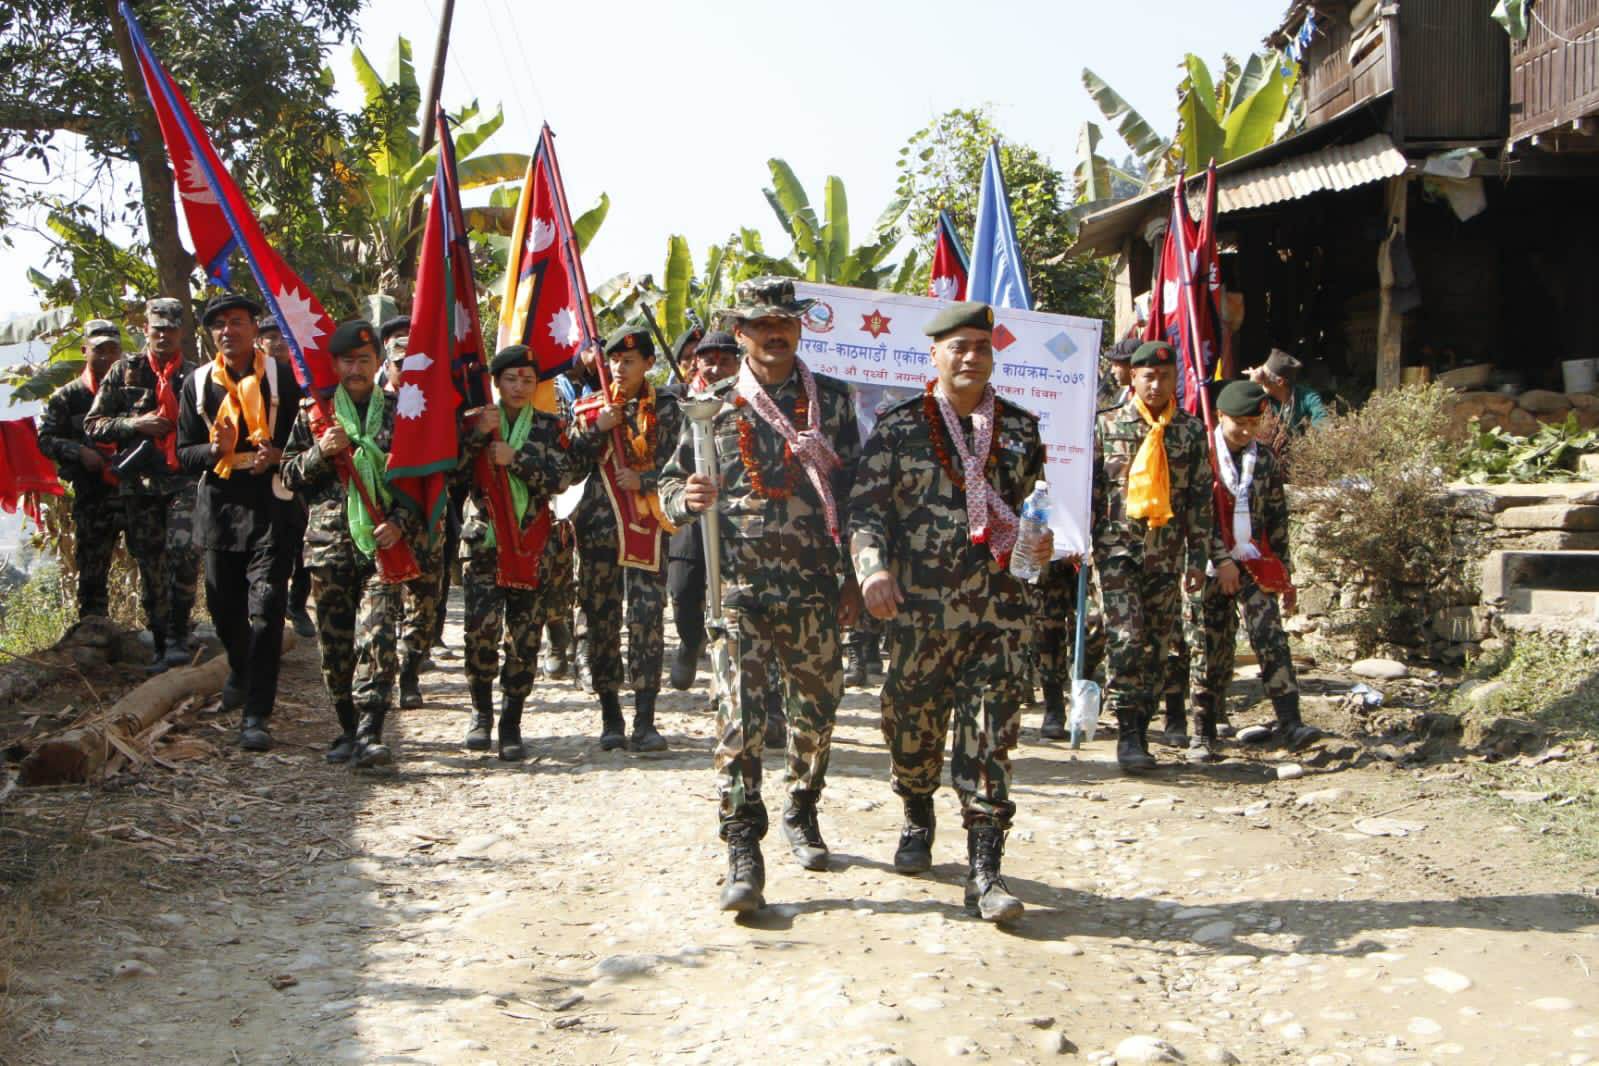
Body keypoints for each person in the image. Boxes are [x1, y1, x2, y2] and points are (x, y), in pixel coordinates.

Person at [660, 276, 862, 914]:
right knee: (739, 720)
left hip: (814, 588)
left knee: (816, 715)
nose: (776, 333)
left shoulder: (830, 401)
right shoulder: (710, 405)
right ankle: (743, 849)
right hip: (738, 589)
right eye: (762, 324)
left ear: (800, 329)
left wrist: (857, 576)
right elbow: (667, 487)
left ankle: (802, 805)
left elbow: (859, 495)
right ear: (741, 332)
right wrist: (681, 500)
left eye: (787, 323)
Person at [847, 301, 1049, 924]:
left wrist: (1043, 544)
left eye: (981, 348)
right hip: (920, 611)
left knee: (991, 735)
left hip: (1000, 610)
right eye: (957, 347)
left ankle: (985, 871)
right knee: (911, 725)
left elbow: (1039, 509)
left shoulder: (1020, 428)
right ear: (933, 355)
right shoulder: (901, 426)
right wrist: (872, 569)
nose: (970, 357)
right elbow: (865, 514)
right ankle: (915, 808)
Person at [1092, 341, 1234, 774]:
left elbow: (1198, 501)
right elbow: (1091, 491)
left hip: (1167, 555)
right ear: (1132, 378)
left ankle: (1143, 718)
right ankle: (1128, 732)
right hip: (1118, 550)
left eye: (1165, 376)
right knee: (1127, 638)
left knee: (1156, 647)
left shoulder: (1190, 431)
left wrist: (1199, 559)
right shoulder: (1105, 425)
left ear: (1176, 379)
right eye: (1147, 376)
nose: (1156, 384)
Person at [280, 320, 414, 767]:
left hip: (380, 544)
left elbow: (420, 483)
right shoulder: (313, 414)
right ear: (334, 365)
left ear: (377, 363)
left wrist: (399, 522)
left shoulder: (399, 412)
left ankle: (371, 728)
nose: (355, 368)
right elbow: (287, 475)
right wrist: (321, 451)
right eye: (347, 361)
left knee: (378, 634)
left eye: (364, 360)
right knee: (335, 644)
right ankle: (345, 727)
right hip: (329, 543)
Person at [175, 293, 302, 751]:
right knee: (224, 610)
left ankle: (256, 713)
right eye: (219, 325)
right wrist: (214, 450)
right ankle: (240, 667)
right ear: (211, 335)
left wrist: (280, 454)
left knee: (267, 609)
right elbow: (183, 452)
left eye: (237, 321)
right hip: (220, 507)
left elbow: (305, 444)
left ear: (253, 327)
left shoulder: (283, 379)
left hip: (272, 504)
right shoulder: (198, 383)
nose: (228, 330)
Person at [459, 343, 594, 760]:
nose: (519, 387)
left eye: (528, 380)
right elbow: (450, 476)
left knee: (524, 638)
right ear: (496, 382)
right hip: (485, 540)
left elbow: (561, 478)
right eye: (511, 379)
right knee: (480, 632)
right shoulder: (478, 420)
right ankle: (482, 714)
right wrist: (479, 438)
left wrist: (515, 459)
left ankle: (511, 722)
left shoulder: (549, 426)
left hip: (533, 543)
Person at [1187, 380, 1323, 759]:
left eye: (1254, 423)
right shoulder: (1201, 456)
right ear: (1220, 416)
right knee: (1209, 644)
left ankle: (1291, 722)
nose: (1246, 431)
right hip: (1208, 565)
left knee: (1270, 635)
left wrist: (1285, 572)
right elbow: (1197, 516)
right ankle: (1204, 730)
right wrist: (1221, 559)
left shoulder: (1263, 460)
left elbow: (1277, 518)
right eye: (1239, 424)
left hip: (1253, 563)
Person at [569, 326, 682, 752]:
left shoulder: (669, 408)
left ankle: (646, 719)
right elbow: (568, 465)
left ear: (649, 364)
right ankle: (610, 714)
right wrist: (596, 428)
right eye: (613, 359)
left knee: (647, 619)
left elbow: (682, 465)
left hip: (647, 529)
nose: (619, 367)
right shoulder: (589, 408)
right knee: (601, 619)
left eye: (629, 361)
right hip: (598, 531)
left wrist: (644, 478)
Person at [84, 297, 202, 672]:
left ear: (181, 332)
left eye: (170, 329)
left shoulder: (198, 375)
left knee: (184, 553)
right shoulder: (125, 372)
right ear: (146, 331)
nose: (163, 335)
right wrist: (135, 425)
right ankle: (163, 642)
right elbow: (94, 424)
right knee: (151, 562)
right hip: (141, 483)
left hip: (184, 479)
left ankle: (181, 634)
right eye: (157, 329)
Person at [373, 314, 444, 709]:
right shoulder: (373, 406)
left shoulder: (434, 406)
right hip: (380, 520)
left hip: (423, 520)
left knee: (424, 602)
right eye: (399, 364)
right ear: (387, 362)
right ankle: (379, 679)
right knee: (383, 605)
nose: (406, 371)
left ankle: (410, 673)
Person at [37, 320, 126, 621]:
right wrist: (79, 452)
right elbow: (45, 439)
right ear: (85, 350)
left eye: (113, 350)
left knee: (155, 561)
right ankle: (93, 627)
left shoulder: (136, 390)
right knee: (92, 565)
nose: (106, 357)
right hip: (93, 493)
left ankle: (164, 631)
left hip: (136, 490)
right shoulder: (68, 396)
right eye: (99, 350)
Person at [667, 329, 741, 691]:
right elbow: (671, 470)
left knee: (731, 604)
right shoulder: (675, 400)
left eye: (725, 360)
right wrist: (685, 497)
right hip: (692, 515)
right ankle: (688, 640)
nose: (716, 367)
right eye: (708, 359)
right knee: (682, 590)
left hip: (736, 520)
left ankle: (725, 679)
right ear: (696, 362)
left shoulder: (749, 404)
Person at [255, 317, 315, 639]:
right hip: (259, 474)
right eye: (270, 337)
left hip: (301, 469)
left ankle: (298, 604)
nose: (277, 343)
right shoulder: (252, 377)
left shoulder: (303, 377)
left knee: (304, 540)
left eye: (282, 336)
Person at [1246, 349, 1328, 435]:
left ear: (1279, 381)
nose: (1261, 380)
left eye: (1263, 376)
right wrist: (1252, 383)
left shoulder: (1308, 397)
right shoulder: (1263, 397)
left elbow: (1323, 425)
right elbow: (1242, 412)